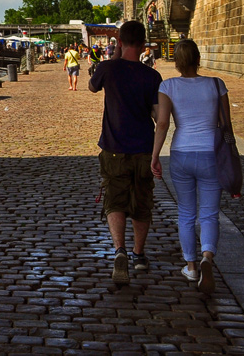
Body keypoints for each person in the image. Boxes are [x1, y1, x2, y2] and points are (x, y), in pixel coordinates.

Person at [151, 39, 230, 294]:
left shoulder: (168, 86)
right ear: (198, 58)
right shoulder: (216, 85)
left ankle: (191, 266)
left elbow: (162, 124)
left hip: (182, 152)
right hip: (211, 153)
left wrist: (155, 155)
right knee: (209, 212)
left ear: (177, 61)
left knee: (186, 212)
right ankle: (208, 256)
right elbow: (225, 124)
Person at [89, 20, 162, 286]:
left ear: (120, 42)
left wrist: (116, 55)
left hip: (113, 147)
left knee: (115, 200)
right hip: (143, 147)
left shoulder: (108, 68)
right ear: (143, 44)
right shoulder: (152, 76)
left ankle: (119, 249)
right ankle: (139, 254)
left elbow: (92, 87)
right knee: (142, 203)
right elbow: (158, 115)